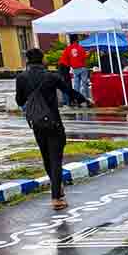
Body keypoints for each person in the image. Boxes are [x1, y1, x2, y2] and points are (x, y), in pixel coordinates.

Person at [15, 47, 90, 211]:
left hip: (36, 124)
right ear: (42, 60)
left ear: (27, 61)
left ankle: (58, 190)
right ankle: (56, 196)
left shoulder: (21, 78)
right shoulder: (51, 76)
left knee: (47, 158)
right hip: (53, 123)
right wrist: (85, 99)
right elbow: (69, 92)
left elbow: (19, 100)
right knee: (56, 159)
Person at [59, 35, 90, 103]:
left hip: (74, 69)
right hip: (82, 68)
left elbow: (66, 58)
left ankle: (76, 99)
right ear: (76, 40)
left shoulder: (68, 48)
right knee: (84, 83)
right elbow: (84, 57)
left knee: (76, 85)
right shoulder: (80, 48)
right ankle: (87, 98)